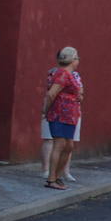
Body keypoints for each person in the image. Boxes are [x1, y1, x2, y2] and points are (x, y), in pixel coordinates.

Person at [41, 47, 83, 190]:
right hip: (60, 113)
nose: (78, 60)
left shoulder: (69, 74)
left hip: (70, 115)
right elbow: (51, 94)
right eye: (76, 57)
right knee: (59, 144)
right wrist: (45, 111)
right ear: (71, 60)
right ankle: (52, 178)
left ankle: (57, 176)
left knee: (68, 146)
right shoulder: (63, 74)